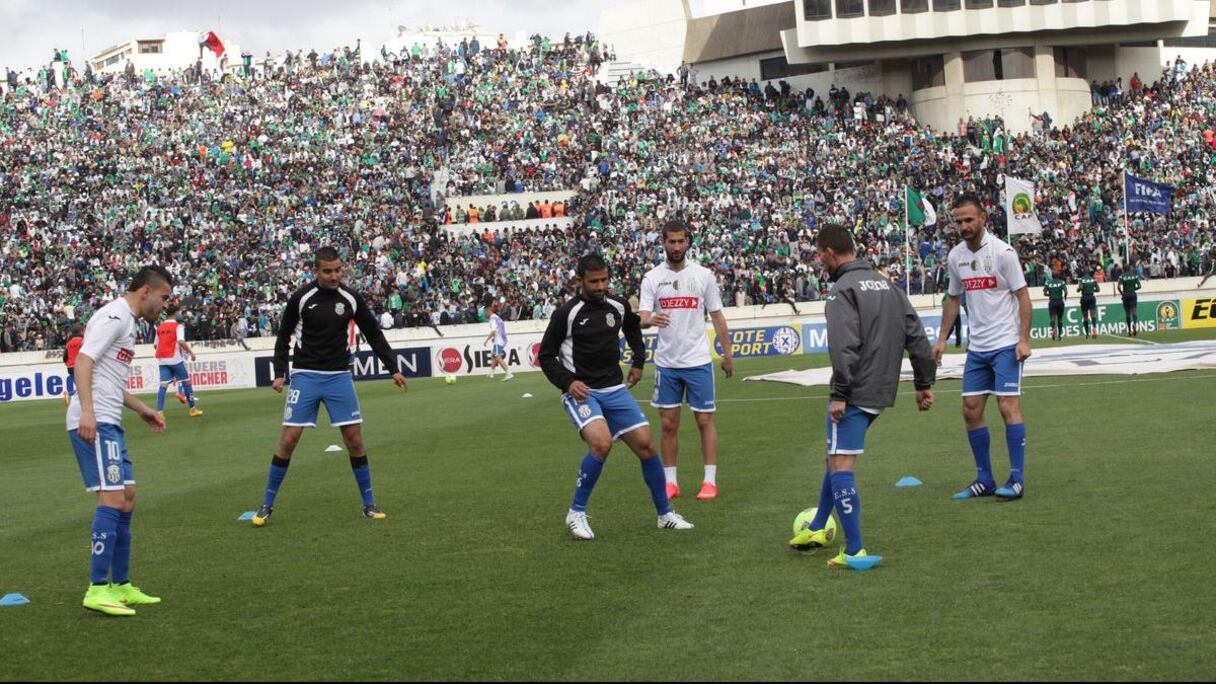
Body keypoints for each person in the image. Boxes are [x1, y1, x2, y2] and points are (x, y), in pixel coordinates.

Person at [788, 225, 935, 568]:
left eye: (819, 254)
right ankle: (817, 525)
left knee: (840, 463)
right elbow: (917, 337)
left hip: (854, 388)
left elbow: (844, 344)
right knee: (835, 453)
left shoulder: (842, 289)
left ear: (828, 252)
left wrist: (839, 392)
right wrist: (923, 384)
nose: (818, 260)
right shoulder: (889, 286)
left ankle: (855, 550)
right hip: (881, 389)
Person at [538, 253, 693, 540]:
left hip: (615, 389)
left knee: (646, 446)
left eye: (604, 280)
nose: (600, 286)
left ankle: (665, 514)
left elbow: (633, 328)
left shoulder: (618, 306)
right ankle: (576, 512)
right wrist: (568, 382)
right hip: (582, 392)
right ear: (579, 280)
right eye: (594, 281)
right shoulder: (566, 314)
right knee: (601, 443)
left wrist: (637, 362)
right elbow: (545, 355)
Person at [252, 247, 408, 527]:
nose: (334, 276)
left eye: (338, 270)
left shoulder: (350, 298)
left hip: (339, 376)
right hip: (305, 376)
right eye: (328, 271)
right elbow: (283, 335)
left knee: (354, 441)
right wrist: (279, 372)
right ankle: (266, 505)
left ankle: (369, 504)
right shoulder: (301, 298)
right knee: (288, 440)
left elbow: (373, 333)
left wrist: (393, 367)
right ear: (316, 271)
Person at [67, 265, 172, 616]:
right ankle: (97, 589)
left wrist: (143, 409)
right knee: (112, 498)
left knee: (126, 497)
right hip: (97, 422)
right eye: (163, 298)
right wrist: (87, 411)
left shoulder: (127, 320)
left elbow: (108, 377)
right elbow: (83, 361)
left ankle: (121, 585)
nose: (164, 305)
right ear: (146, 291)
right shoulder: (114, 316)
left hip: (110, 419)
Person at [935, 194, 1032, 502]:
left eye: (968, 220)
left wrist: (1024, 339)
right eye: (959, 221)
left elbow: (1023, 296)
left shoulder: (1004, 253)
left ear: (983, 218)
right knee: (970, 410)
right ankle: (984, 478)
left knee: (1007, 406)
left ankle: (1016, 479)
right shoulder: (955, 257)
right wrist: (941, 339)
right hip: (977, 348)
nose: (963, 226)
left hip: (1005, 343)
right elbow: (953, 298)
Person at [638, 220, 733, 501]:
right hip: (667, 363)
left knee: (704, 420)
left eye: (681, 241)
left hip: (698, 360)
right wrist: (650, 318)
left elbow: (717, 315)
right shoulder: (652, 278)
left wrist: (727, 354)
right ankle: (670, 483)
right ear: (663, 242)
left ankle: (709, 481)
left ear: (688, 241)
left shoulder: (703, 275)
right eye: (672, 242)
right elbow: (641, 318)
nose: (677, 247)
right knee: (668, 424)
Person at [154, 306, 202, 419]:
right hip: (174, 358)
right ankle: (192, 410)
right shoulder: (178, 326)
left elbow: (156, 344)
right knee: (187, 383)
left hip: (162, 359)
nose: (180, 314)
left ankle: (159, 412)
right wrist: (191, 353)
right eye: (179, 312)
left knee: (163, 385)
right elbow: (181, 340)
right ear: (175, 313)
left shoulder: (160, 327)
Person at [483, 302, 513, 381]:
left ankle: (508, 373)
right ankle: (491, 373)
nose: (484, 314)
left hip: (498, 340)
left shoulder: (492, 318)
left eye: (484, 312)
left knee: (498, 357)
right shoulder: (496, 317)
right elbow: (498, 329)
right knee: (493, 355)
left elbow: (493, 331)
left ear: (488, 311)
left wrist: (486, 340)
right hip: (502, 339)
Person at [62, 323, 84, 406]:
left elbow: (64, 357)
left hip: (70, 368)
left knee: (81, 388)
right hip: (80, 366)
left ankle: (69, 394)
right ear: (81, 331)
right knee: (86, 387)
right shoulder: (82, 340)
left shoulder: (68, 343)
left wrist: (69, 363)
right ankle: (70, 394)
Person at [1117, 265, 1142, 337]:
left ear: (1123, 269)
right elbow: (1139, 286)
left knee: (1127, 313)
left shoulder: (1122, 276)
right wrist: (1134, 289)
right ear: (1130, 269)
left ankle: (1129, 330)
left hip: (1125, 294)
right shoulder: (1134, 275)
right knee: (1134, 311)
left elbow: (1118, 287)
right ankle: (1134, 324)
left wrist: (1122, 293)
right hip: (1132, 294)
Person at [1043, 274, 1068, 341]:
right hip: (1060, 301)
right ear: (1058, 276)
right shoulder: (1062, 282)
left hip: (1052, 302)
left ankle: (1053, 329)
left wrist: (1050, 294)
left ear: (1052, 276)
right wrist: (1065, 297)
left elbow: (1044, 293)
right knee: (1060, 319)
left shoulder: (1048, 282)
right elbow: (1066, 291)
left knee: (1052, 318)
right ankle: (1059, 336)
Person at [1078, 268, 1100, 339]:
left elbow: (1081, 287)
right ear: (1089, 272)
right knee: (1093, 315)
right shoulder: (1093, 279)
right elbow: (1098, 289)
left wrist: (1078, 289)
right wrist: (1091, 289)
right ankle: (1094, 328)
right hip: (1091, 297)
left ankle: (1087, 333)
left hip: (1084, 298)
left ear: (1083, 272)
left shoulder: (1081, 279)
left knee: (1085, 317)